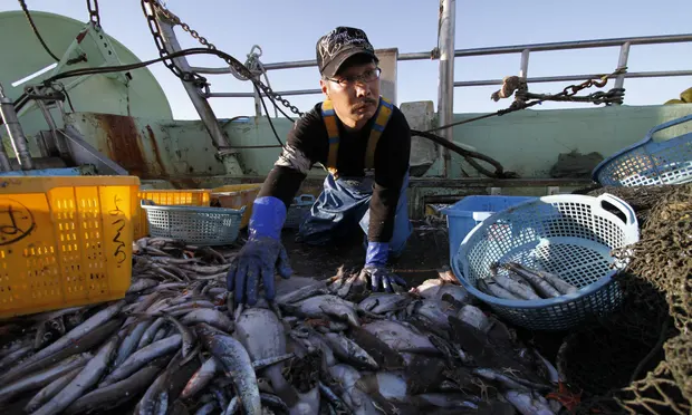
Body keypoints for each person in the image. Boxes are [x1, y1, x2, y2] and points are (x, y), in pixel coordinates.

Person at [227, 26, 413, 305]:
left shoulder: (394, 125)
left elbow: (385, 194)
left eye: (368, 73)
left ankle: (366, 232)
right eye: (348, 79)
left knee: (392, 246)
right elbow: (285, 174)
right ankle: (351, 223)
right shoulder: (313, 125)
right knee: (313, 237)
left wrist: (374, 261)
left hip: (384, 188)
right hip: (341, 189)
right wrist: (261, 236)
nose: (363, 90)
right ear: (326, 87)